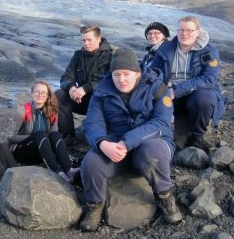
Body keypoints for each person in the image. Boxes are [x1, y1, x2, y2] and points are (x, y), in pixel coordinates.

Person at [78, 47, 182, 232]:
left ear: (137, 73)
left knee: (153, 155)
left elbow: (161, 123)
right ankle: (95, 206)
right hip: (115, 146)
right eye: (116, 74)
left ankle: (165, 197)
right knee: (91, 163)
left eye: (126, 74)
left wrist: (127, 142)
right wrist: (103, 143)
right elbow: (93, 124)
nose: (121, 79)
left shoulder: (158, 89)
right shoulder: (101, 92)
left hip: (150, 141)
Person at [0, 80, 78, 192]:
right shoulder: (23, 111)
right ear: (32, 93)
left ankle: (69, 171)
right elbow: (10, 136)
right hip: (20, 151)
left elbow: (53, 134)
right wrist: (34, 137)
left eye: (43, 93)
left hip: (42, 149)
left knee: (56, 135)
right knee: (41, 135)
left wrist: (42, 139)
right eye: (37, 92)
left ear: (48, 95)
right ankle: (58, 173)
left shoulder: (52, 111)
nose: (40, 95)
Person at [150, 16, 224, 152]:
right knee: (151, 102)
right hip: (169, 91)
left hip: (195, 90)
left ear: (198, 32)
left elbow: (208, 79)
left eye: (189, 30)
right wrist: (161, 92)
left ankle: (197, 137)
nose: (184, 34)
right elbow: (154, 73)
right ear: (176, 32)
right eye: (181, 30)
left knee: (204, 101)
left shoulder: (209, 52)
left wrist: (176, 91)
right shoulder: (165, 49)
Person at [56, 24, 114, 141]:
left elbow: (109, 81)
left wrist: (85, 88)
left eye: (89, 40)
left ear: (98, 39)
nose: (86, 43)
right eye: (83, 40)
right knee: (59, 94)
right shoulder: (78, 55)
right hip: (81, 99)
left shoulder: (111, 56)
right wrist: (72, 88)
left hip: (100, 101)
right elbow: (66, 76)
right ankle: (68, 135)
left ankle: (101, 137)